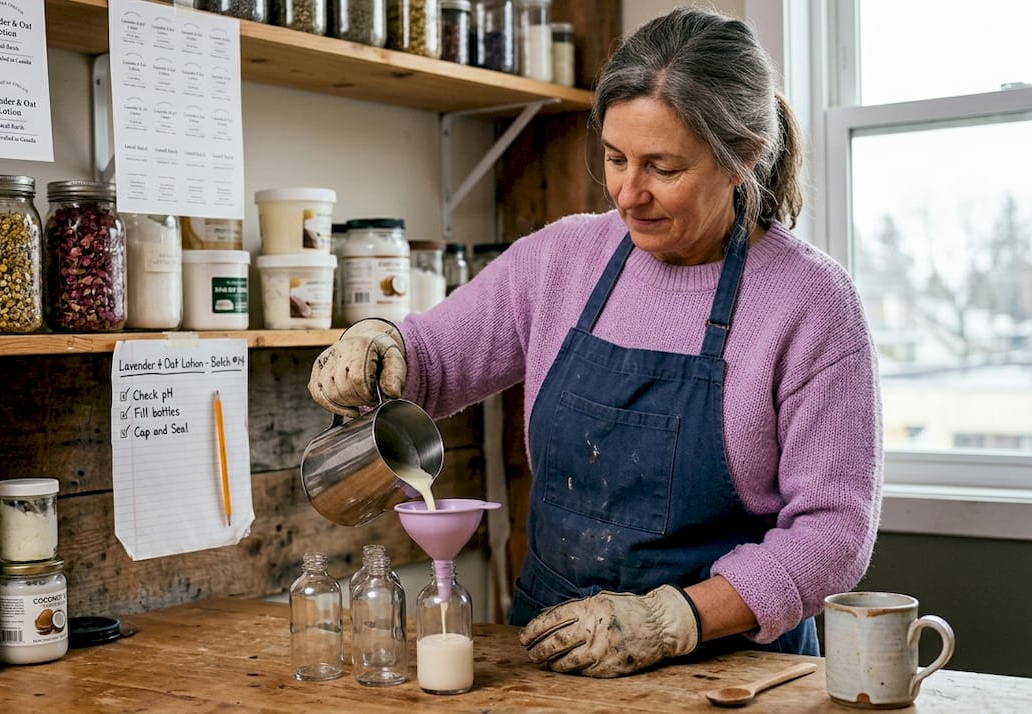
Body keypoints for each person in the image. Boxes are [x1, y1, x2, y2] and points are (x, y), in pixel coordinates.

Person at [308, 6, 881, 678]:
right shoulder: (562, 259)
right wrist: (384, 343)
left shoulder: (811, 303)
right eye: (614, 158)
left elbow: (833, 536)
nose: (628, 193)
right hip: (551, 655)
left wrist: (673, 621)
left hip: (731, 675)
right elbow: (437, 356)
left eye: (662, 168)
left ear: (743, 156)